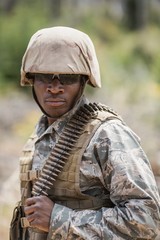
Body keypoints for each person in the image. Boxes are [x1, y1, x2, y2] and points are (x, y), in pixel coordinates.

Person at [16, 26, 160, 239]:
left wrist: (59, 218)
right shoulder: (39, 135)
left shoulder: (107, 135)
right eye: (44, 77)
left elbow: (146, 220)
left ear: (84, 81)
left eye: (67, 78)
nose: (54, 88)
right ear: (31, 79)